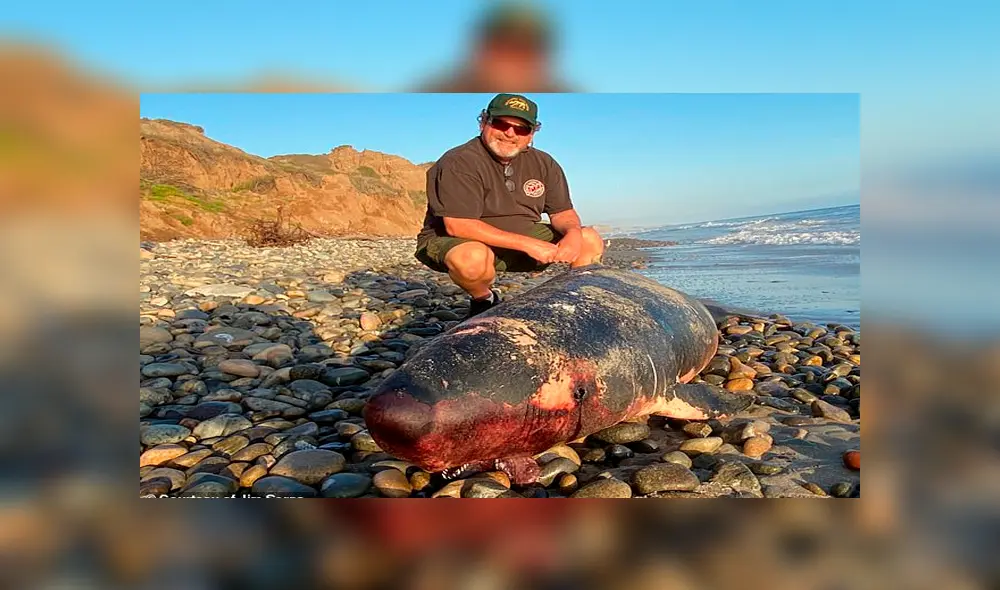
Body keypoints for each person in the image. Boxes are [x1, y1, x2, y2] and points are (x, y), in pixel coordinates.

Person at [414, 93, 605, 317]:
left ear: (532, 133)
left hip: (521, 238)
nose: (510, 133)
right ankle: (484, 299)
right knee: (472, 258)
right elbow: (459, 225)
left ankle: (575, 306)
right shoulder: (459, 162)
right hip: (459, 241)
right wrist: (529, 245)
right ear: (484, 122)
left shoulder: (544, 162)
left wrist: (572, 233)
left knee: (588, 239)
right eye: (501, 123)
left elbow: (563, 213)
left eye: (521, 129)